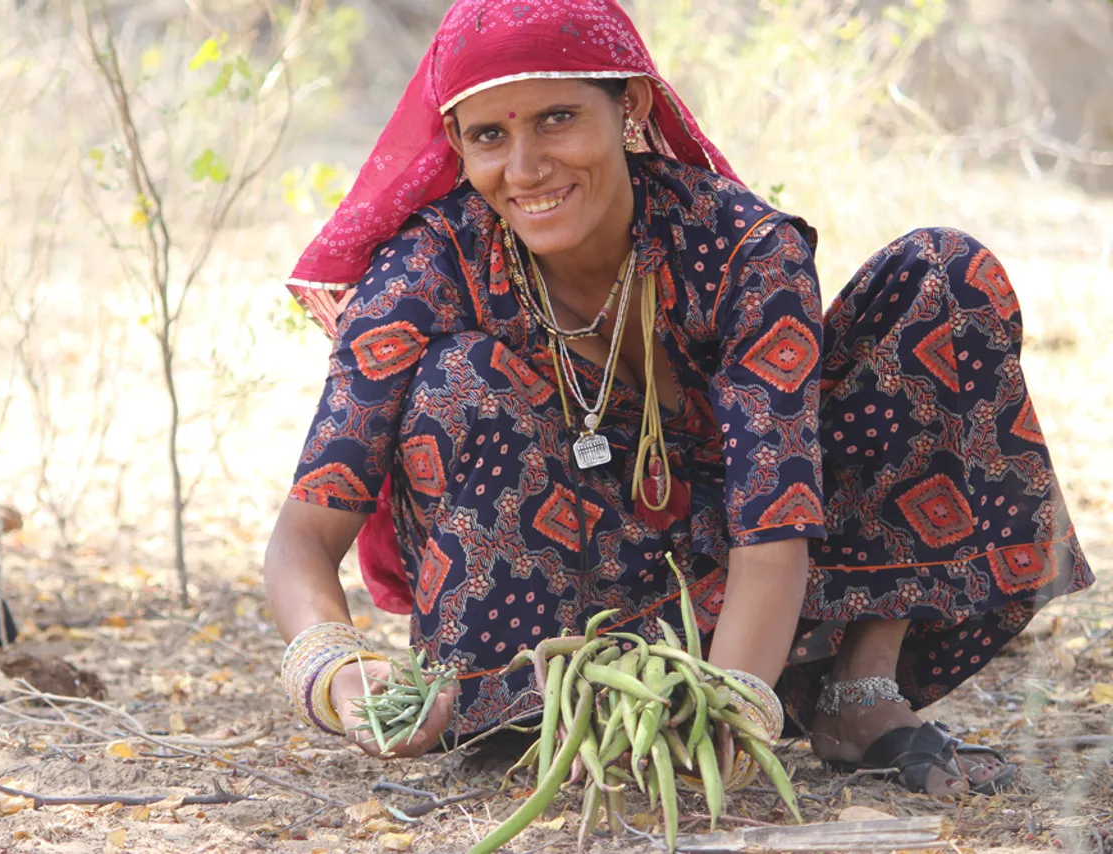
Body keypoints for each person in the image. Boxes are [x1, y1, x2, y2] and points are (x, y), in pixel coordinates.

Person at [264, 0, 1092, 800]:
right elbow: (304, 536)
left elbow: (773, 527)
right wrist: (338, 670)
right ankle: (536, 718)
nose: (525, 169)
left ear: (631, 106)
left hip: (753, 592)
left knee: (944, 276)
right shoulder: (426, 270)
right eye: (490, 135)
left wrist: (725, 709)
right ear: (457, 145)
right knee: (458, 378)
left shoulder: (739, 249)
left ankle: (855, 689)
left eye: (557, 118)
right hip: (552, 627)